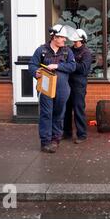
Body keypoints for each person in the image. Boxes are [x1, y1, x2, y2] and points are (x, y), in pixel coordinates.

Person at [29, 24, 76, 153]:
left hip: (62, 88)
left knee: (59, 113)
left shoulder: (67, 51)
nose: (64, 40)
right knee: (46, 113)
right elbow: (32, 65)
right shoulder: (41, 50)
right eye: (62, 38)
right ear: (55, 37)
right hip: (45, 87)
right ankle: (45, 142)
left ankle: (56, 139)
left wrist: (57, 66)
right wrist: (35, 72)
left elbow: (72, 67)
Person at [63, 29, 92, 144]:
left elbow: (84, 69)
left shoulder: (86, 53)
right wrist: (72, 65)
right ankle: (67, 132)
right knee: (66, 109)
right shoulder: (69, 50)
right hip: (68, 83)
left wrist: (71, 65)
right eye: (74, 41)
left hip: (79, 85)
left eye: (77, 41)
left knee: (79, 109)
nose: (75, 43)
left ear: (82, 40)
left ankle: (82, 134)